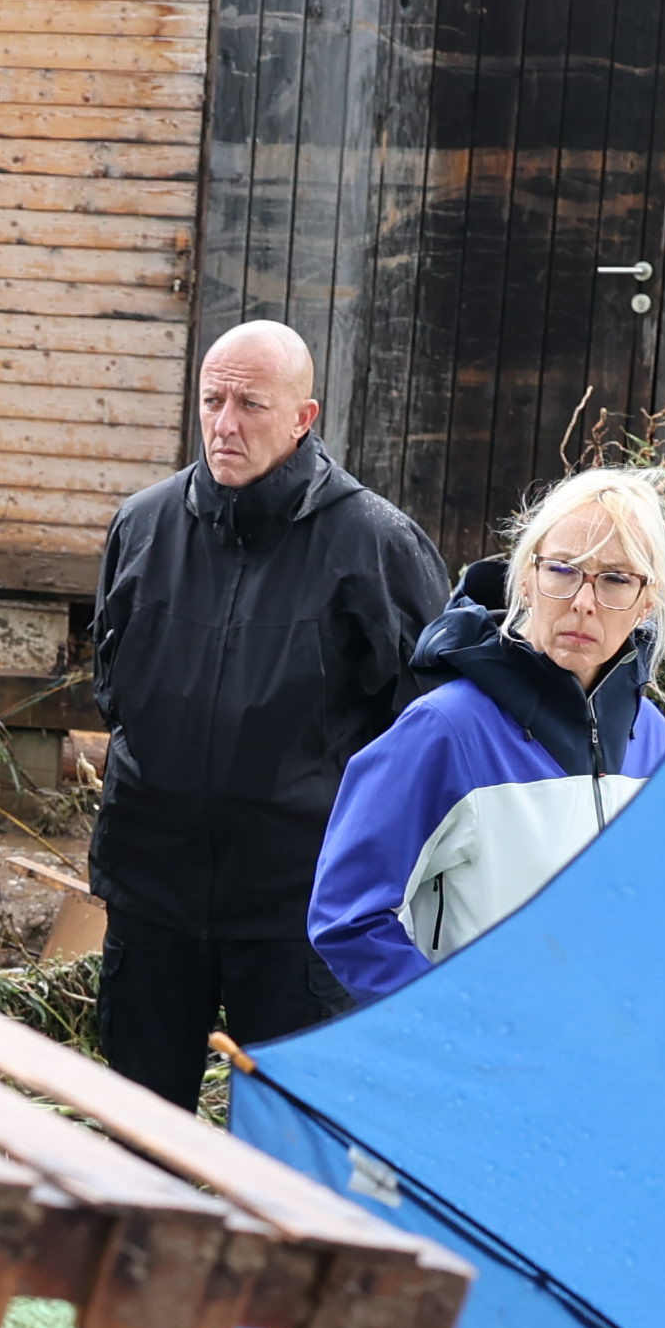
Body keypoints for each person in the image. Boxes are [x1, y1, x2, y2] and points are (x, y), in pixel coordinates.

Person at [85, 320, 441, 1095]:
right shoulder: (142, 527)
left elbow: (422, 729)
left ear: (303, 418)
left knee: (287, 1136)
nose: (224, 423)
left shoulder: (375, 545)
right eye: (212, 399)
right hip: (153, 894)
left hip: (298, 908)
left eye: (250, 403)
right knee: (140, 1134)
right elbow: (112, 687)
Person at [308, 466, 665, 1005]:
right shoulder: (446, 730)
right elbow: (347, 917)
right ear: (528, 577)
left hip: (594, 1064)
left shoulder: (651, 737)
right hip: (474, 1074)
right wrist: (458, 1029)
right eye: (564, 570)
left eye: (615, 579)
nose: (583, 600)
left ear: (647, 601)